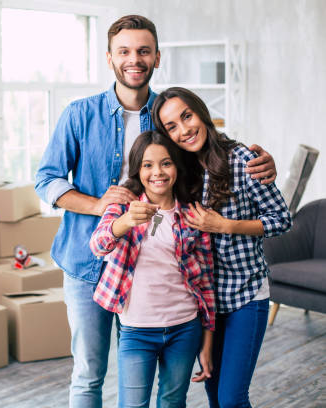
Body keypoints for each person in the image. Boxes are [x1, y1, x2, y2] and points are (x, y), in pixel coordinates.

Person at [34, 15, 277, 408]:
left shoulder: (167, 116)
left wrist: (260, 163)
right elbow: (46, 180)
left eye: (143, 51)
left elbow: (205, 154)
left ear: (157, 58)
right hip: (87, 262)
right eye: (125, 51)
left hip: (155, 268)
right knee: (88, 375)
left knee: (167, 389)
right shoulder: (79, 114)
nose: (134, 59)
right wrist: (101, 207)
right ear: (109, 58)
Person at [152, 87, 292, 408]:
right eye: (172, 126)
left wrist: (225, 226)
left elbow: (281, 219)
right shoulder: (180, 173)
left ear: (201, 112)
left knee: (231, 399)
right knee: (214, 395)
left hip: (246, 295)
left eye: (186, 116)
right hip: (206, 304)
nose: (184, 130)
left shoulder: (243, 159)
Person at [90, 130, 215, 408]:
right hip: (137, 330)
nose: (157, 172)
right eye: (148, 165)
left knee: (173, 402)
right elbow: (98, 245)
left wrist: (207, 341)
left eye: (166, 163)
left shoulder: (193, 215)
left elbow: (206, 281)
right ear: (138, 169)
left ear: (177, 167)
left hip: (185, 327)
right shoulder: (122, 206)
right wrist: (124, 222)